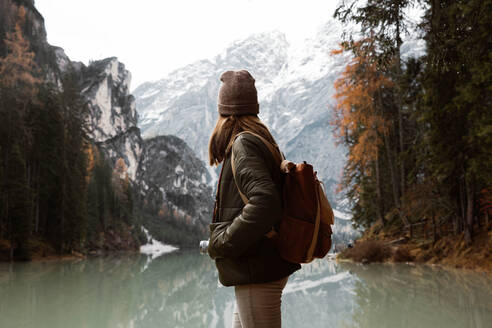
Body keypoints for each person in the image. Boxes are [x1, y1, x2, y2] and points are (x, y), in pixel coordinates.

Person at [207, 70, 301, 328]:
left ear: (225, 112)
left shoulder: (244, 144)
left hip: (256, 267)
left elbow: (265, 202)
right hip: (260, 265)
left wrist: (224, 241)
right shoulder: (262, 140)